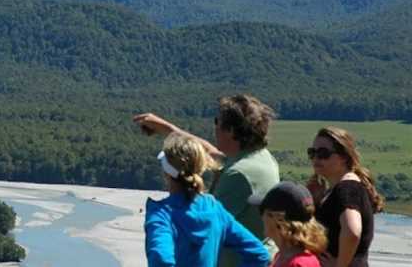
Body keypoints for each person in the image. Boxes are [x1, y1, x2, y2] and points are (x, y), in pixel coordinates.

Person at [134, 94, 280, 267]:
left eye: (217, 121)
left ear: (231, 130)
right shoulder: (260, 158)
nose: (215, 127)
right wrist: (168, 129)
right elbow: (208, 153)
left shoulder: (238, 174)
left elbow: (197, 226)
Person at [144, 131, 271, 267]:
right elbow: (259, 254)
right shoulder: (214, 209)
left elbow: (161, 259)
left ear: (166, 172)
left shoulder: (162, 215)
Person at [307, 127, 384, 267]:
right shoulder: (339, 189)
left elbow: (353, 232)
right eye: (312, 153)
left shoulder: (347, 188)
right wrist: (317, 202)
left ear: (344, 157)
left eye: (323, 153)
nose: (316, 158)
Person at [250, 181, 327, 267]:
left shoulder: (298, 264)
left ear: (278, 219)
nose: (262, 218)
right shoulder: (282, 256)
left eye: (261, 211)